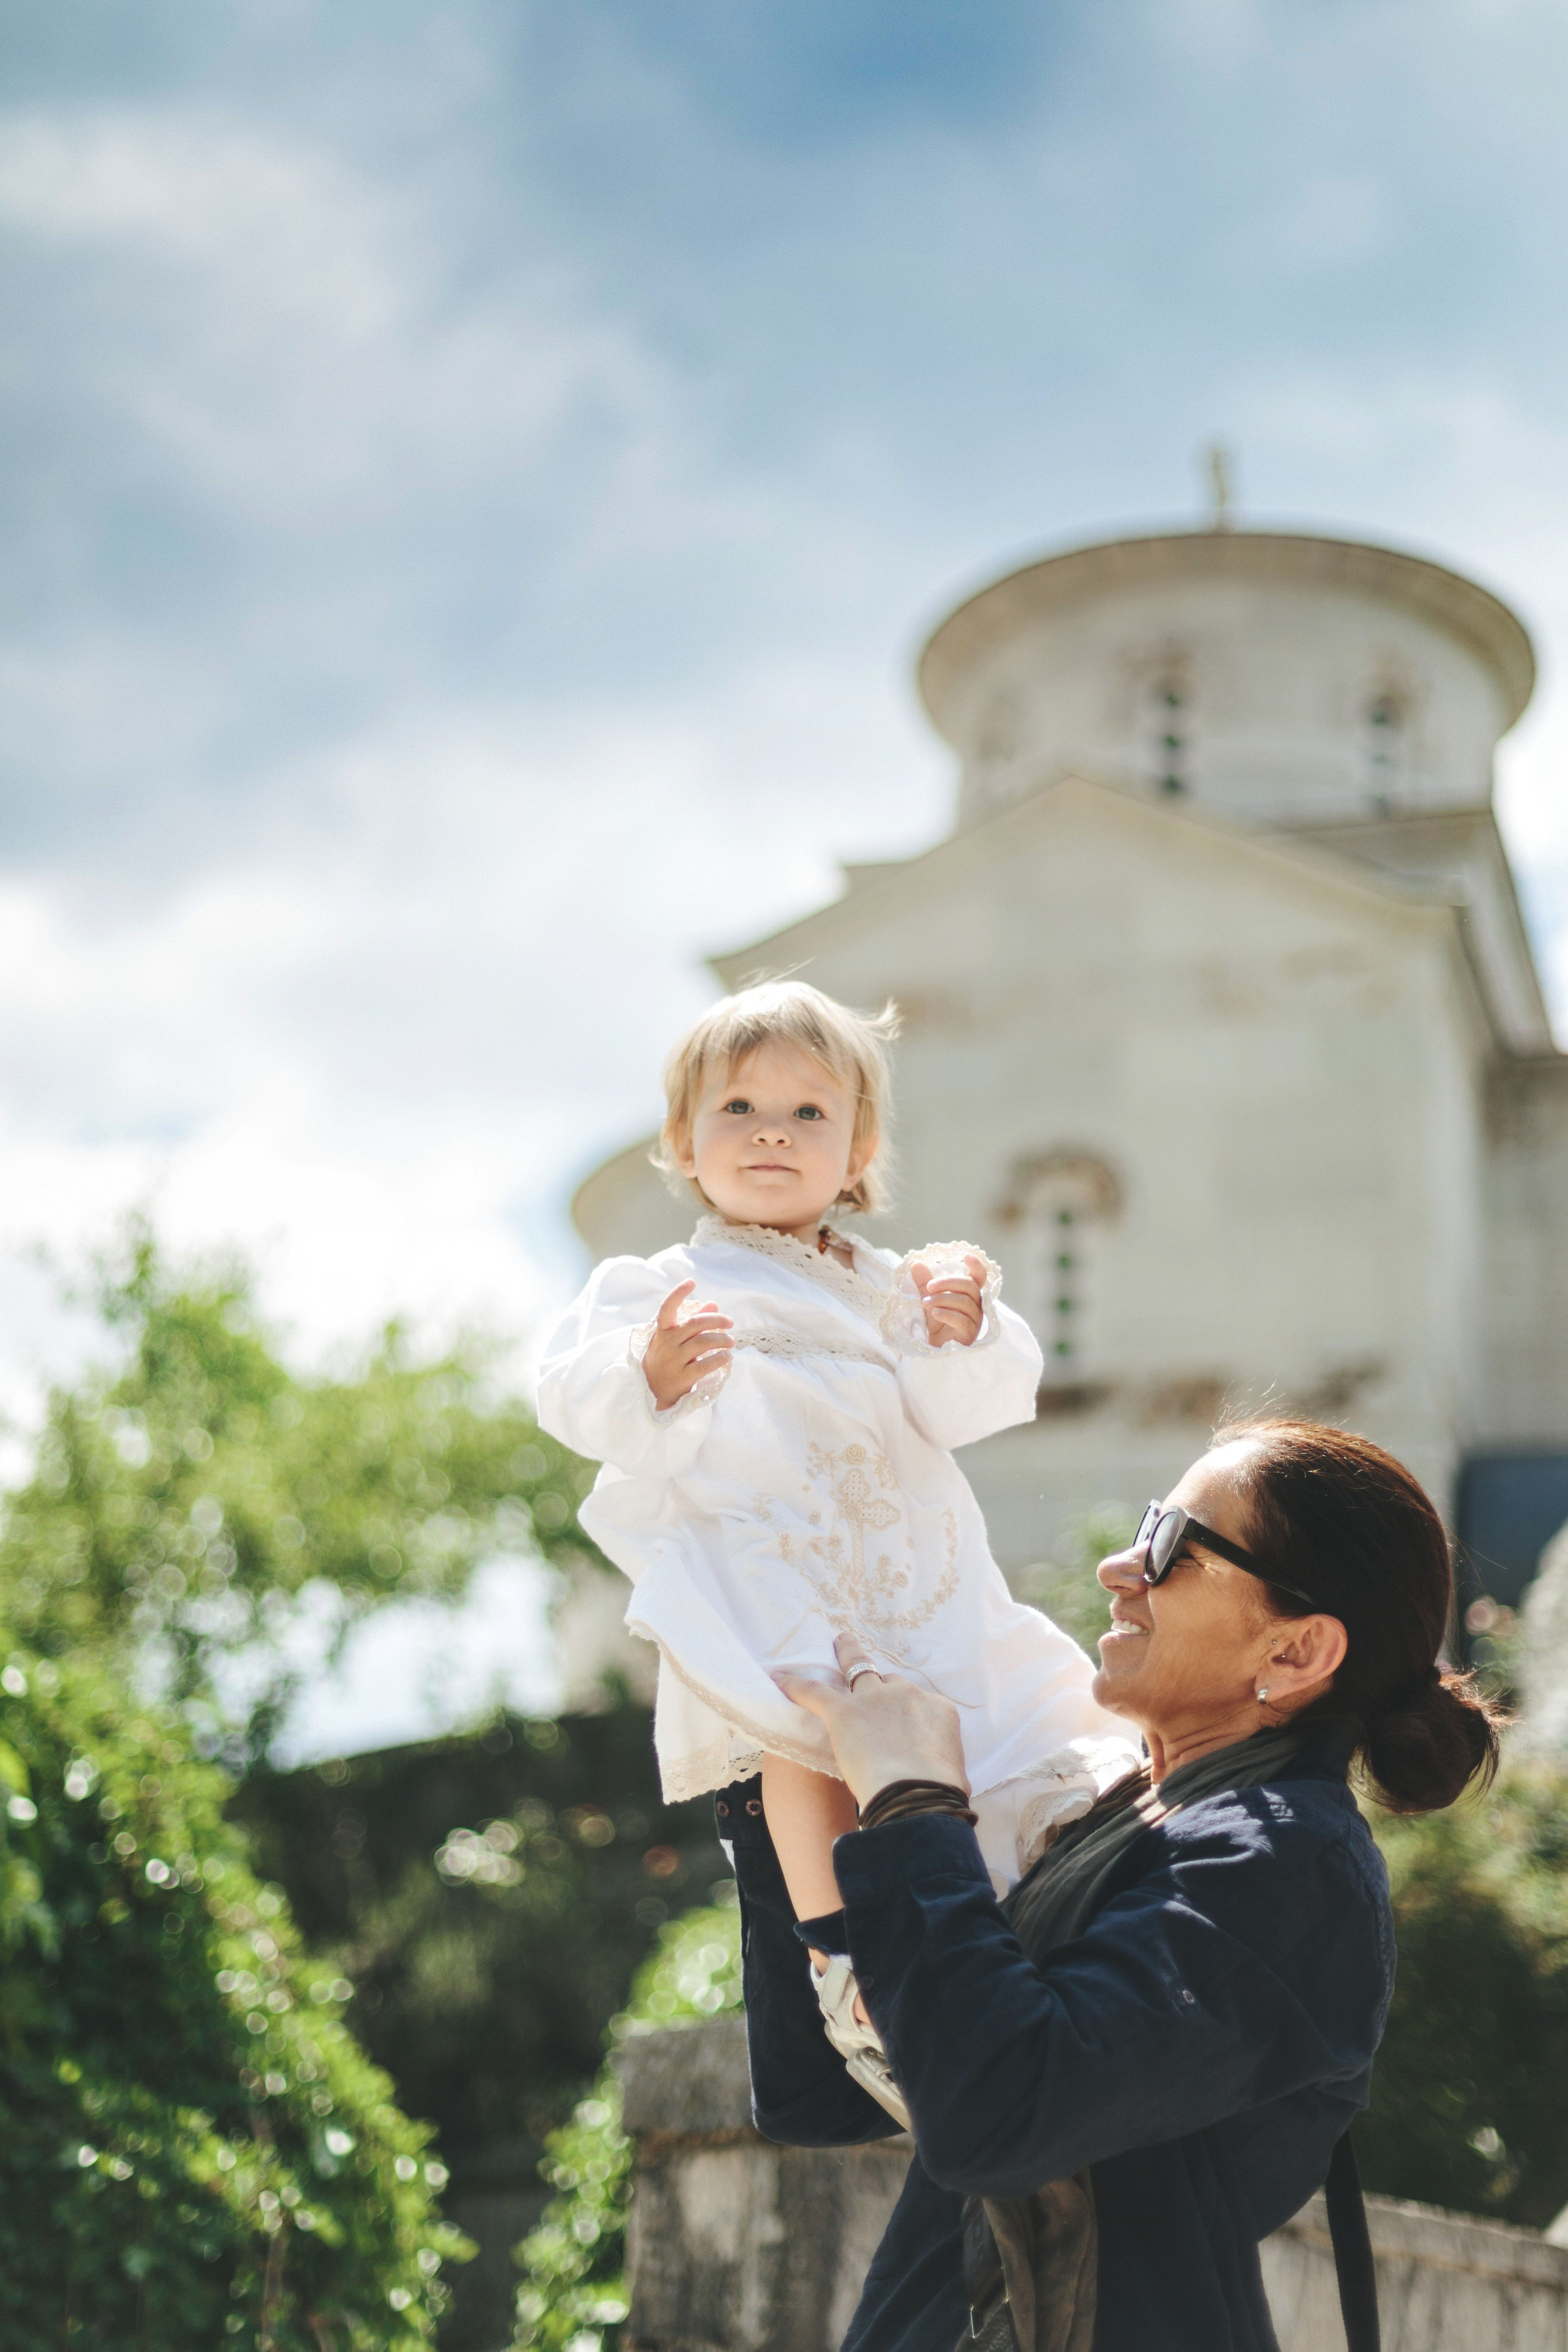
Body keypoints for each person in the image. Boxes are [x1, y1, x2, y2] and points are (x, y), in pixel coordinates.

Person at [723, 1416, 1502, 2352]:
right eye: (1146, 1524)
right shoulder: (1126, 1818)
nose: (1118, 1567)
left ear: (1294, 1653)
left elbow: (998, 2111)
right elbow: (824, 2091)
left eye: (1173, 1546)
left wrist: (916, 1801)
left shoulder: (1287, 1869)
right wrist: (776, 1754)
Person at [537, 979, 1133, 2115]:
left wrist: (964, 1333)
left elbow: (971, 1403)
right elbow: (570, 1393)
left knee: (1004, 1700)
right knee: (803, 1743)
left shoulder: (895, 1287)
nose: (772, 1131)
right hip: (775, 1567)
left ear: (859, 1147)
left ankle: (1042, 1846)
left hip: (913, 1563)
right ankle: (844, 1969)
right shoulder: (663, 1286)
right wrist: (646, 1381)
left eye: (809, 1114)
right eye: (739, 1108)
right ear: (683, 1142)